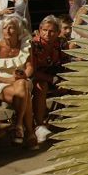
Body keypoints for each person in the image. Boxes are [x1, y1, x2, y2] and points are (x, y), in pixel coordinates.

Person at [0, 15, 35, 148]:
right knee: (25, 97)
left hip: (21, 79)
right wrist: (7, 79)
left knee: (23, 85)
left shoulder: (25, 45)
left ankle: (18, 125)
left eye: (11, 28)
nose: (7, 31)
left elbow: (30, 66)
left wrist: (24, 75)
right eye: (5, 28)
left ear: (18, 31)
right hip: (1, 81)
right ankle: (29, 131)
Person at [30, 15, 65, 143]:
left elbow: (67, 62)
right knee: (41, 86)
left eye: (51, 31)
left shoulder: (60, 43)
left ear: (57, 32)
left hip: (55, 75)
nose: (47, 34)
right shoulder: (33, 44)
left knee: (74, 85)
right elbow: (32, 71)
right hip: (38, 77)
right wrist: (53, 79)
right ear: (40, 30)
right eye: (44, 30)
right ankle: (40, 125)